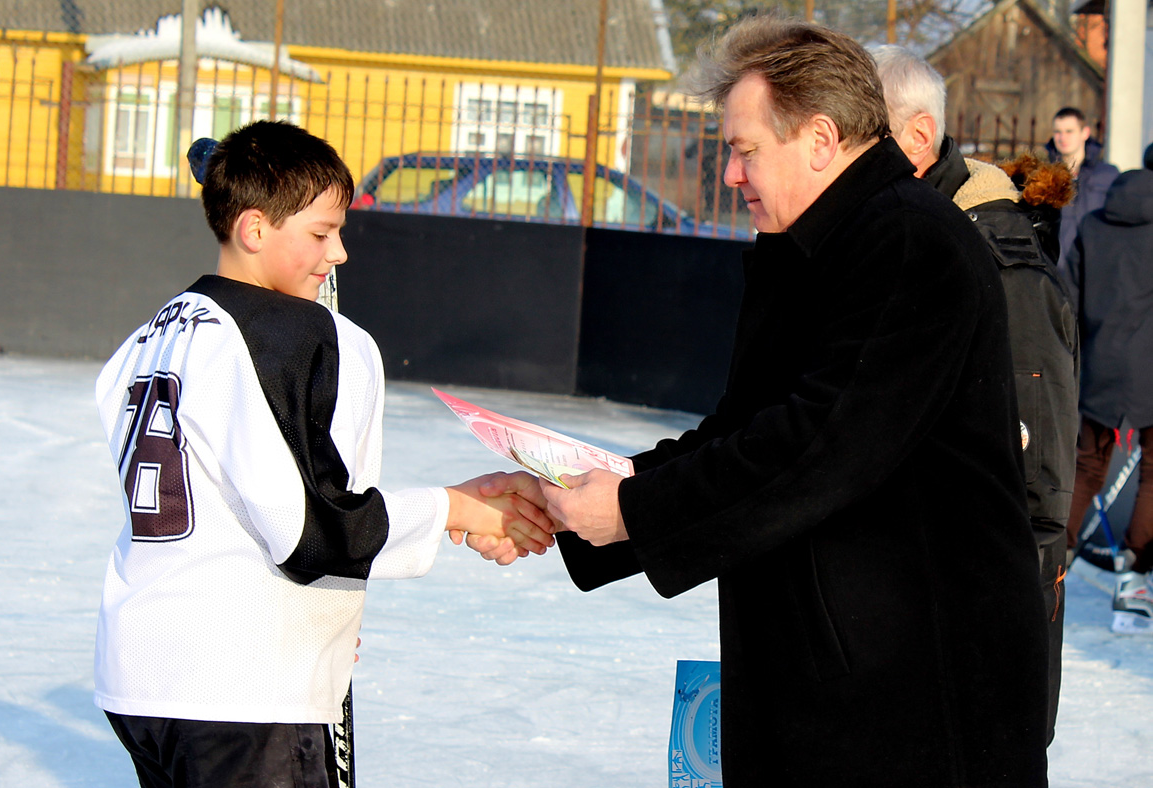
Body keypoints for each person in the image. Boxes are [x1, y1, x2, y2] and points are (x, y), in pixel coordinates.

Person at [488, 16, 1050, 787]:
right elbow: (745, 429)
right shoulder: (816, 244)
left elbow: (818, 446)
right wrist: (582, 495)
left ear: (819, 138)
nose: (728, 174)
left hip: (913, 698)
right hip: (832, 682)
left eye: (744, 149)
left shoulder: (907, 243)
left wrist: (630, 512)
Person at [93, 120, 553, 788]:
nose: (338, 252)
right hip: (244, 693)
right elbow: (310, 532)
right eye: (320, 233)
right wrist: (460, 510)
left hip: (142, 679)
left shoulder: (150, 336)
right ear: (254, 229)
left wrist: (321, 619)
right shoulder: (288, 334)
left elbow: (230, 507)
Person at [872, 44, 1078, 744]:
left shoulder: (1002, 270)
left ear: (918, 137)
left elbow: (1036, 488)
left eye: (859, 134)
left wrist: (1002, 666)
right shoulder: (893, 236)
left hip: (970, 637)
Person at [1063, 144, 1153, 634]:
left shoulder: (1095, 225)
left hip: (1099, 365)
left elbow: (1068, 296)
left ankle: (1054, 562)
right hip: (1149, 369)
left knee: (1087, 468)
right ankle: (1134, 576)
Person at [1045, 106, 1119, 272]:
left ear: (1085, 133)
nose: (1062, 137)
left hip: (1097, 265)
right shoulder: (1045, 177)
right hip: (1057, 267)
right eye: (1057, 132)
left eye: (1069, 131)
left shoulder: (1107, 175)